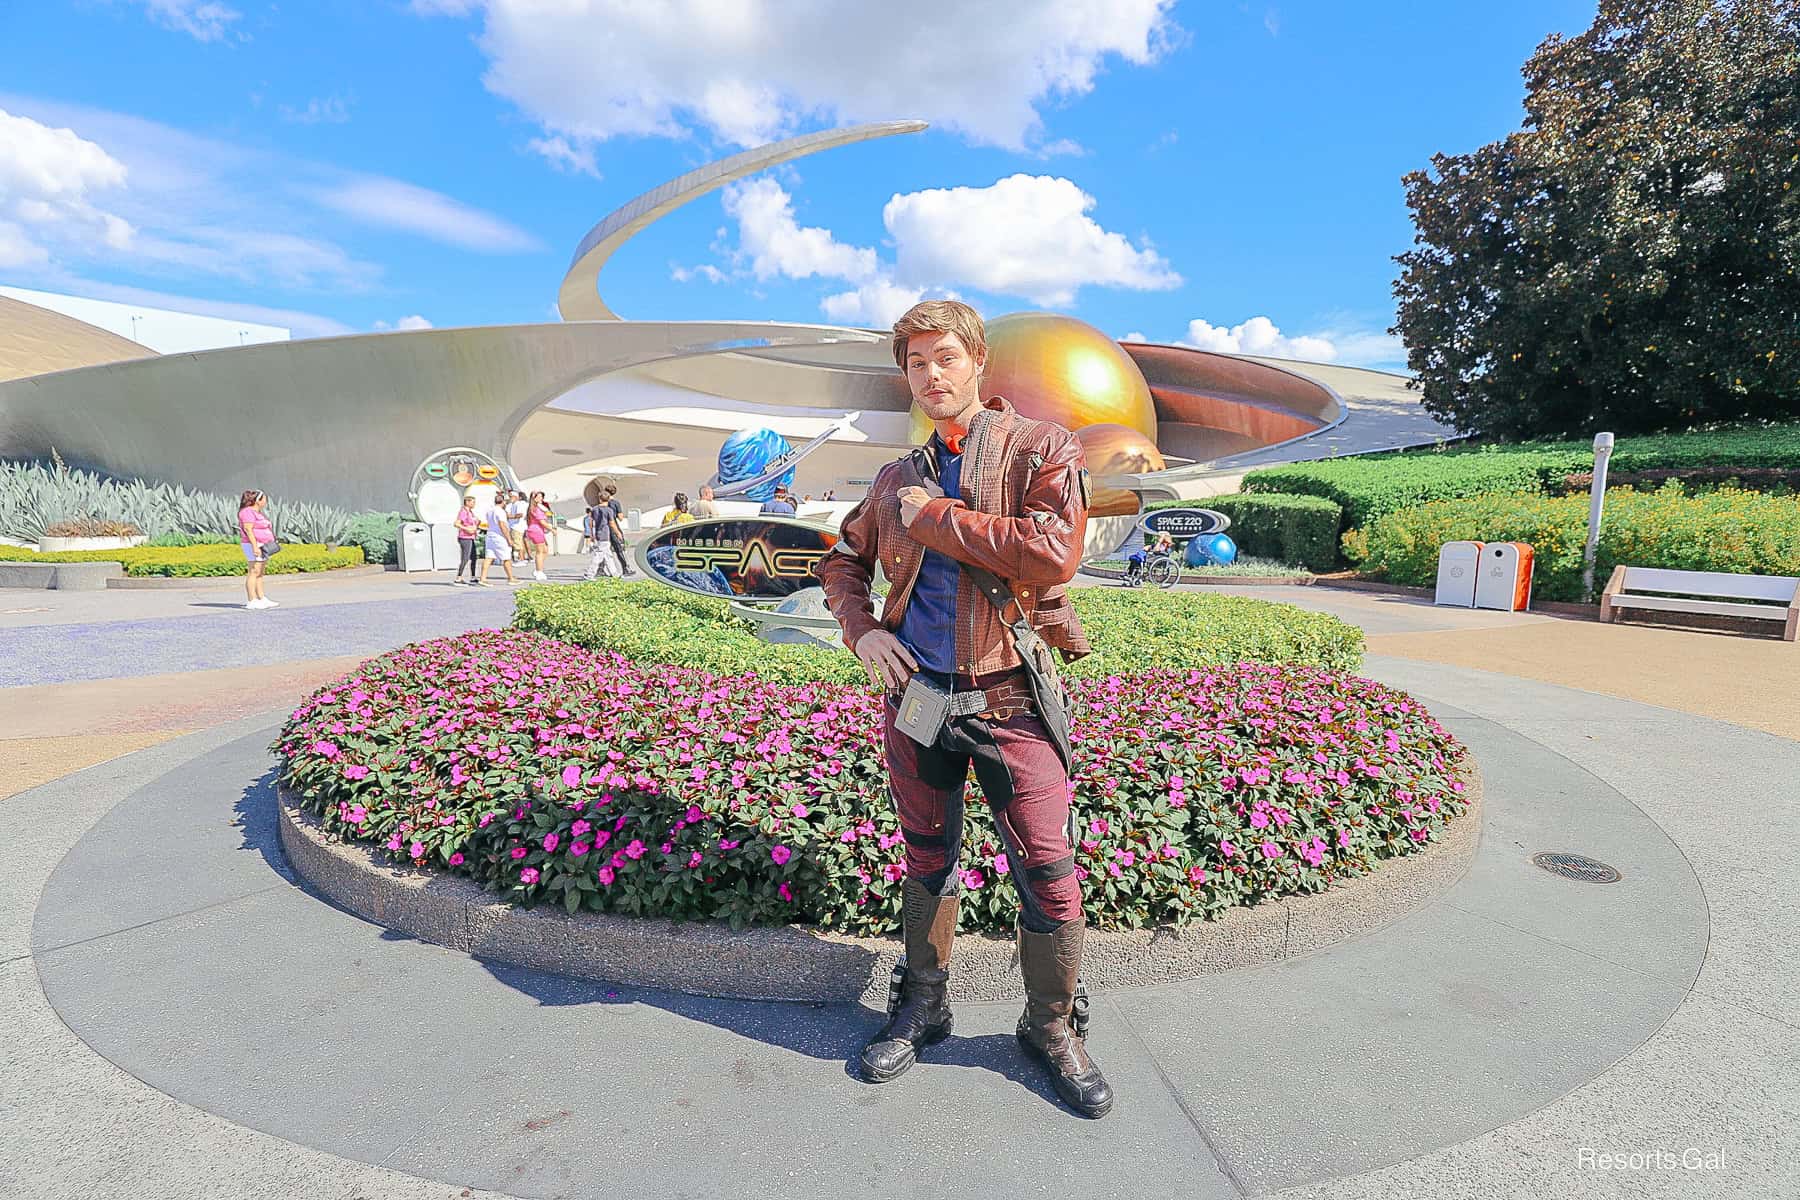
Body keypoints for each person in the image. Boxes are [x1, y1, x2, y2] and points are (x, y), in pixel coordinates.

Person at [817, 300, 1110, 1118]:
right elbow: (841, 563)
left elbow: (1055, 550)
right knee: (926, 858)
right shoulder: (893, 478)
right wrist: (862, 630)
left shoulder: (1039, 447)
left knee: (1048, 868)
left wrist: (934, 518)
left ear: (978, 361)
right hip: (918, 701)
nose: (931, 374)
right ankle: (925, 1006)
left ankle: (1051, 1027)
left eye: (945, 357)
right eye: (916, 362)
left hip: (1010, 694)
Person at [236, 489, 279, 609]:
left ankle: (261, 598)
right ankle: (251, 600)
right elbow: (248, 529)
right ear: (257, 501)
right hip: (253, 544)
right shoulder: (247, 512)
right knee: (254, 571)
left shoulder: (257, 512)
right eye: (264, 498)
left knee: (260, 572)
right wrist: (255, 546)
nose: (266, 501)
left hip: (263, 545)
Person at [478, 494, 520, 587]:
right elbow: (502, 525)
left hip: (490, 535)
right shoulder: (500, 511)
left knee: (489, 557)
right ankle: (511, 578)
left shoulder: (490, 510)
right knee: (506, 558)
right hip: (499, 536)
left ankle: (483, 578)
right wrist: (509, 539)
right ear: (503, 502)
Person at [602, 483, 636, 577]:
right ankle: (625, 568)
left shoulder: (602, 504)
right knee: (619, 549)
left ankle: (600, 569)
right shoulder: (615, 503)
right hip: (614, 527)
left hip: (603, 528)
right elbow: (620, 517)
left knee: (603, 549)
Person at [452, 493, 480, 584]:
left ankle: (473, 576)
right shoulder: (463, 512)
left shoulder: (470, 512)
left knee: (474, 557)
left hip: (471, 537)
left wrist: (476, 525)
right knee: (465, 557)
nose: (474, 504)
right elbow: (457, 523)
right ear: (467, 502)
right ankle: (458, 577)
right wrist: (466, 528)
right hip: (465, 537)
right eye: (473, 502)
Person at [525, 491, 552, 581]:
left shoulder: (535, 508)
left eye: (542, 497)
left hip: (537, 530)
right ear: (534, 498)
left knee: (545, 549)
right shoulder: (536, 509)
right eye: (539, 497)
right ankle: (539, 571)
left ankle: (538, 568)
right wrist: (552, 529)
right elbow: (542, 522)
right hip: (536, 530)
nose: (541, 498)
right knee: (540, 552)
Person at [506, 489, 529, 558]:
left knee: (518, 545)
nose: (509, 498)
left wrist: (510, 516)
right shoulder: (512, 504)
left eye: (511, 496)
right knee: (518, 543)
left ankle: (520, 559)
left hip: (517, 527)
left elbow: (520, 514)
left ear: (515, 497)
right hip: (514, 526)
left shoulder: (518, 504)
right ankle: (520, 558)